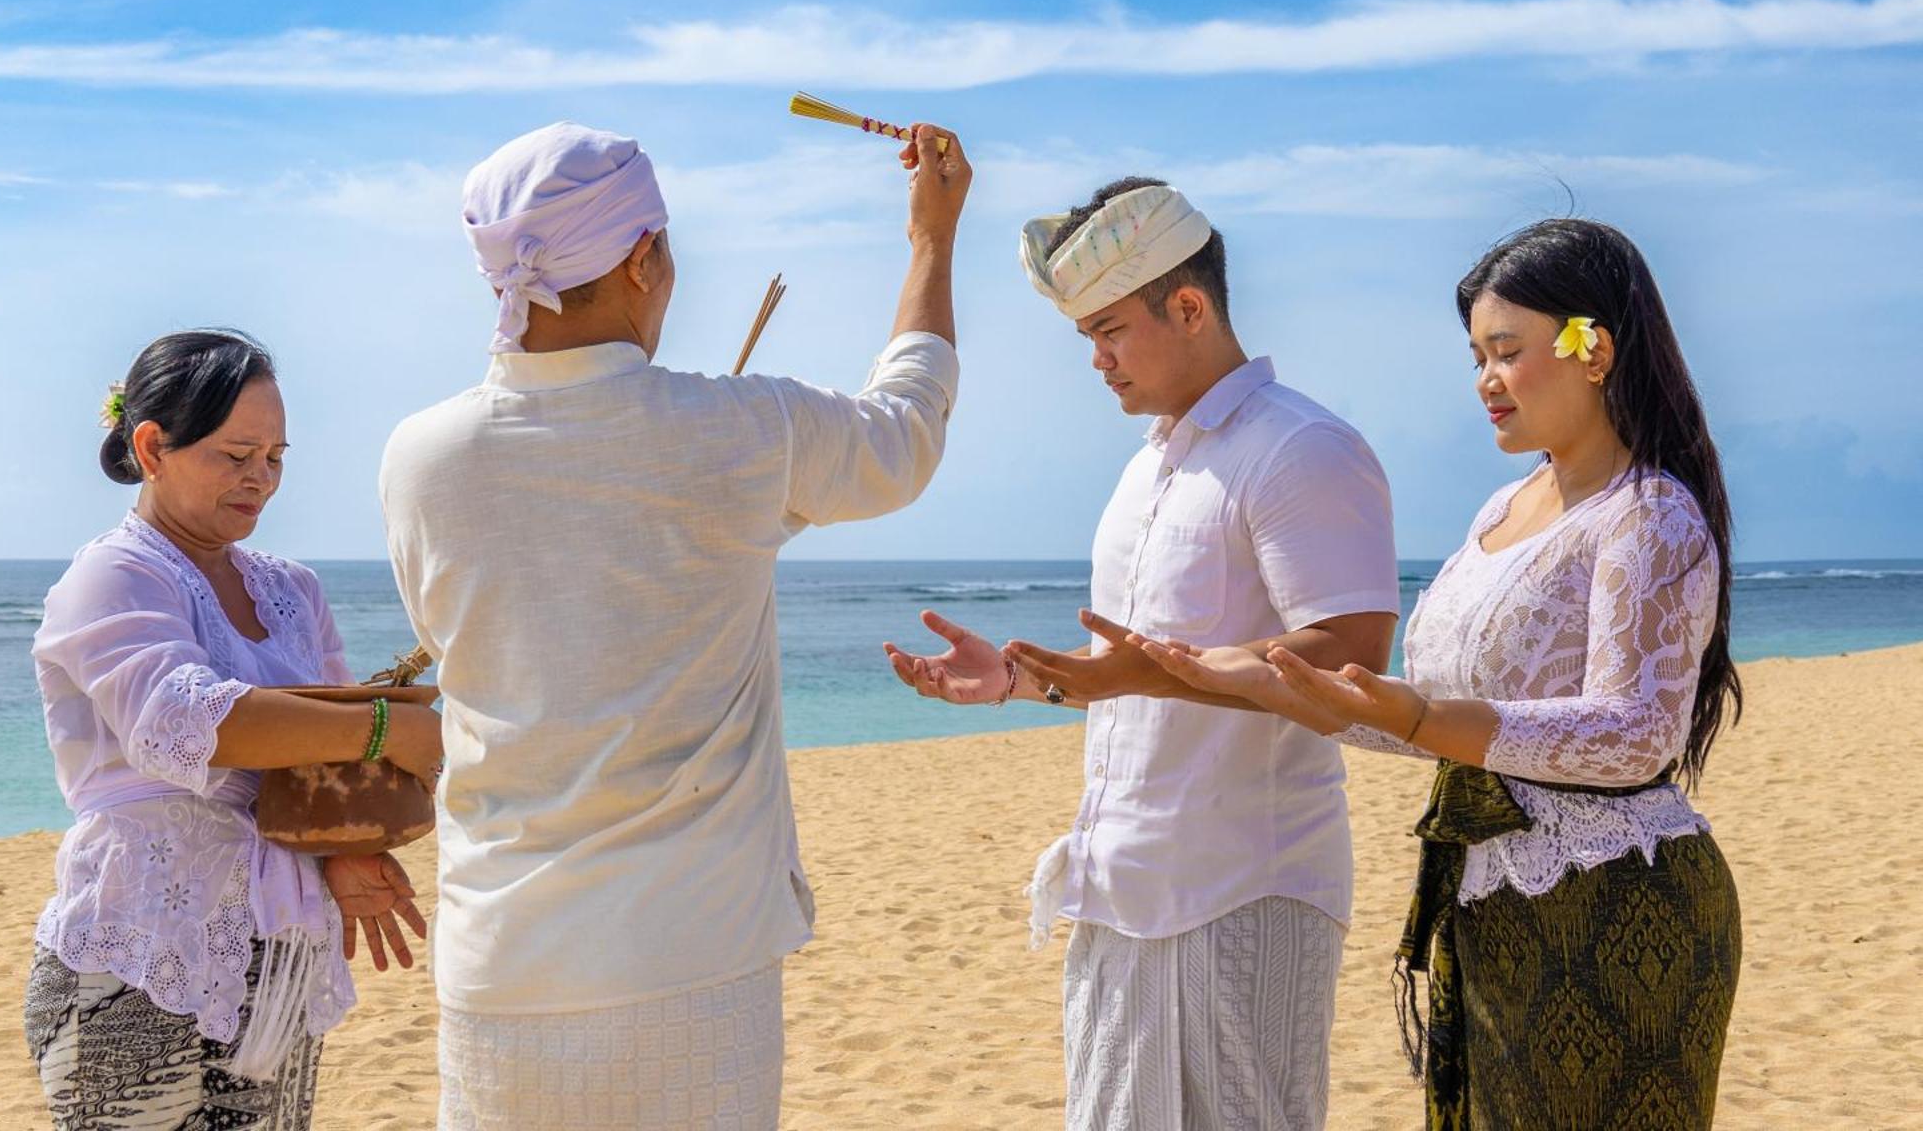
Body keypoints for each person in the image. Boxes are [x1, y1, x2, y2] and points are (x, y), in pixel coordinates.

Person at [378, 120, 970, 1130]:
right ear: (643, 258)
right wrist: (930, 240)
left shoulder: (420, 456)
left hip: (501, 962)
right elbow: (906, 432)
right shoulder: (742, 428)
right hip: (694, 952)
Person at [1125, 218, 1743, 1130]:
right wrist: (1271, 683)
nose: (1485, 383)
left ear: (1594, 350)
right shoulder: (1503, 509)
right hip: (1487, 901)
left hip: (1617, 902)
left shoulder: (1647, 513)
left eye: (1506, 352)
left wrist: (1415, 718)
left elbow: (1635, 734)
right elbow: (1424, 712)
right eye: (1475, 359)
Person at [884, 177, 1399, 1130]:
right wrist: (1020, 678)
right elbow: (1122, 677)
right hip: (1120, 884)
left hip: (1247, 885)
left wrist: (1141, 671)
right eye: (1086, 336)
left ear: (1190, 306)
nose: (1096, 359)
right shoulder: (1145, 469)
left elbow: (1350, 656)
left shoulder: (1303, 448)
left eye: (1111, 330)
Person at [26, 329, 438, 1128]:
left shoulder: (293, 588)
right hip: (133, 955)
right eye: (236, 454)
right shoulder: (114, 574)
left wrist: (348, 849)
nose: (262, 481)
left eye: (276, 458)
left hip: (277, 959)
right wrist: (387, 728)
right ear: (152, 447)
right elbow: (187, 725)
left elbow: (315, 763)